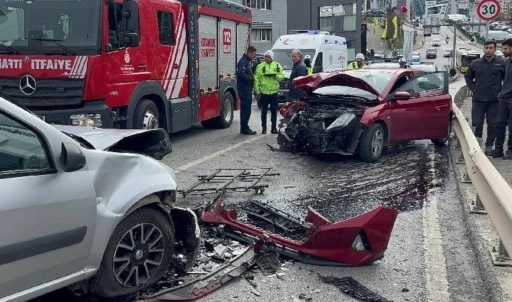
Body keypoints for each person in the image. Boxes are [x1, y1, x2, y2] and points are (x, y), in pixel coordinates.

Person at [464, 40, 506, 155]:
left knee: (493, 124)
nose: (488, 50)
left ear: (495, 49)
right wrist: (474, 89)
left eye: (491, 48)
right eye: (486, 48)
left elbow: (506, 80)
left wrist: (501, 91)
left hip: (494, 101)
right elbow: (468, 77)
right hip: (478, 100)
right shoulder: (475, 63)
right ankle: (476, 147)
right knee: (477, 123)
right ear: (483, 49)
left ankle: (488, 147)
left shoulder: (501, 63)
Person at [254, 50, 284, 134]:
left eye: (268, 56)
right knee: (264, 111)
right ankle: (264, 128)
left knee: (274, 111)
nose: (266, 58)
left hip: (274, 93)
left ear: (272, 57)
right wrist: (257, 91)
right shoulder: (260, 66)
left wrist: (276, 76)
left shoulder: (277, 65)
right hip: (264, 93)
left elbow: (282, 76)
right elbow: (256, 79)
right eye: (265, 56)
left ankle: (273, 128)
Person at [495, 38, 512, 159]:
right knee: (500, 124)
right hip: (503, 98)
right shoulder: (507, 61)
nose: (503, 50)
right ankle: (498, 149)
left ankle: (510, 151)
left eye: (505, 48)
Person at [236, 45, 257, 135]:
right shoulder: (244, 61)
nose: (254, 56)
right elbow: (241, 73)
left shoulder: (247, 61)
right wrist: (250, 78)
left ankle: (244, 127)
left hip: (246, 88)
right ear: (249, 52)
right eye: (254, 54)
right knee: (246, 109)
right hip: (244, 89)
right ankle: (244, 128)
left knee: (246, 109)